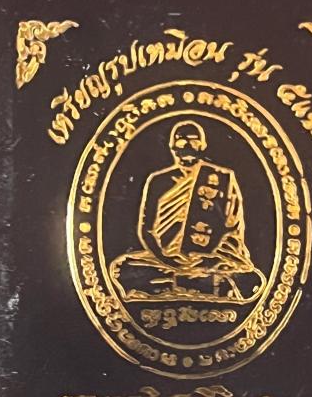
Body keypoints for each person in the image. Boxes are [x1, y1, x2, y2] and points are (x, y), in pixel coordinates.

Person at [110, 120, 265, 303]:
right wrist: (166, 258)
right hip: (168, 259)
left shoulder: (222, 179)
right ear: (173, 147)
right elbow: (147, 230)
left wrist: (210, 260)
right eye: (182, 141)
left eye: (193, 140)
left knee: (250, 276)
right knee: (121, 268)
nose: (188, 146)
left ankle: (179, 285)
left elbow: (232, 232)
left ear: (202, 146)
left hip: (210, 260)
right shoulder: (159, 180)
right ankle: (205, 286)